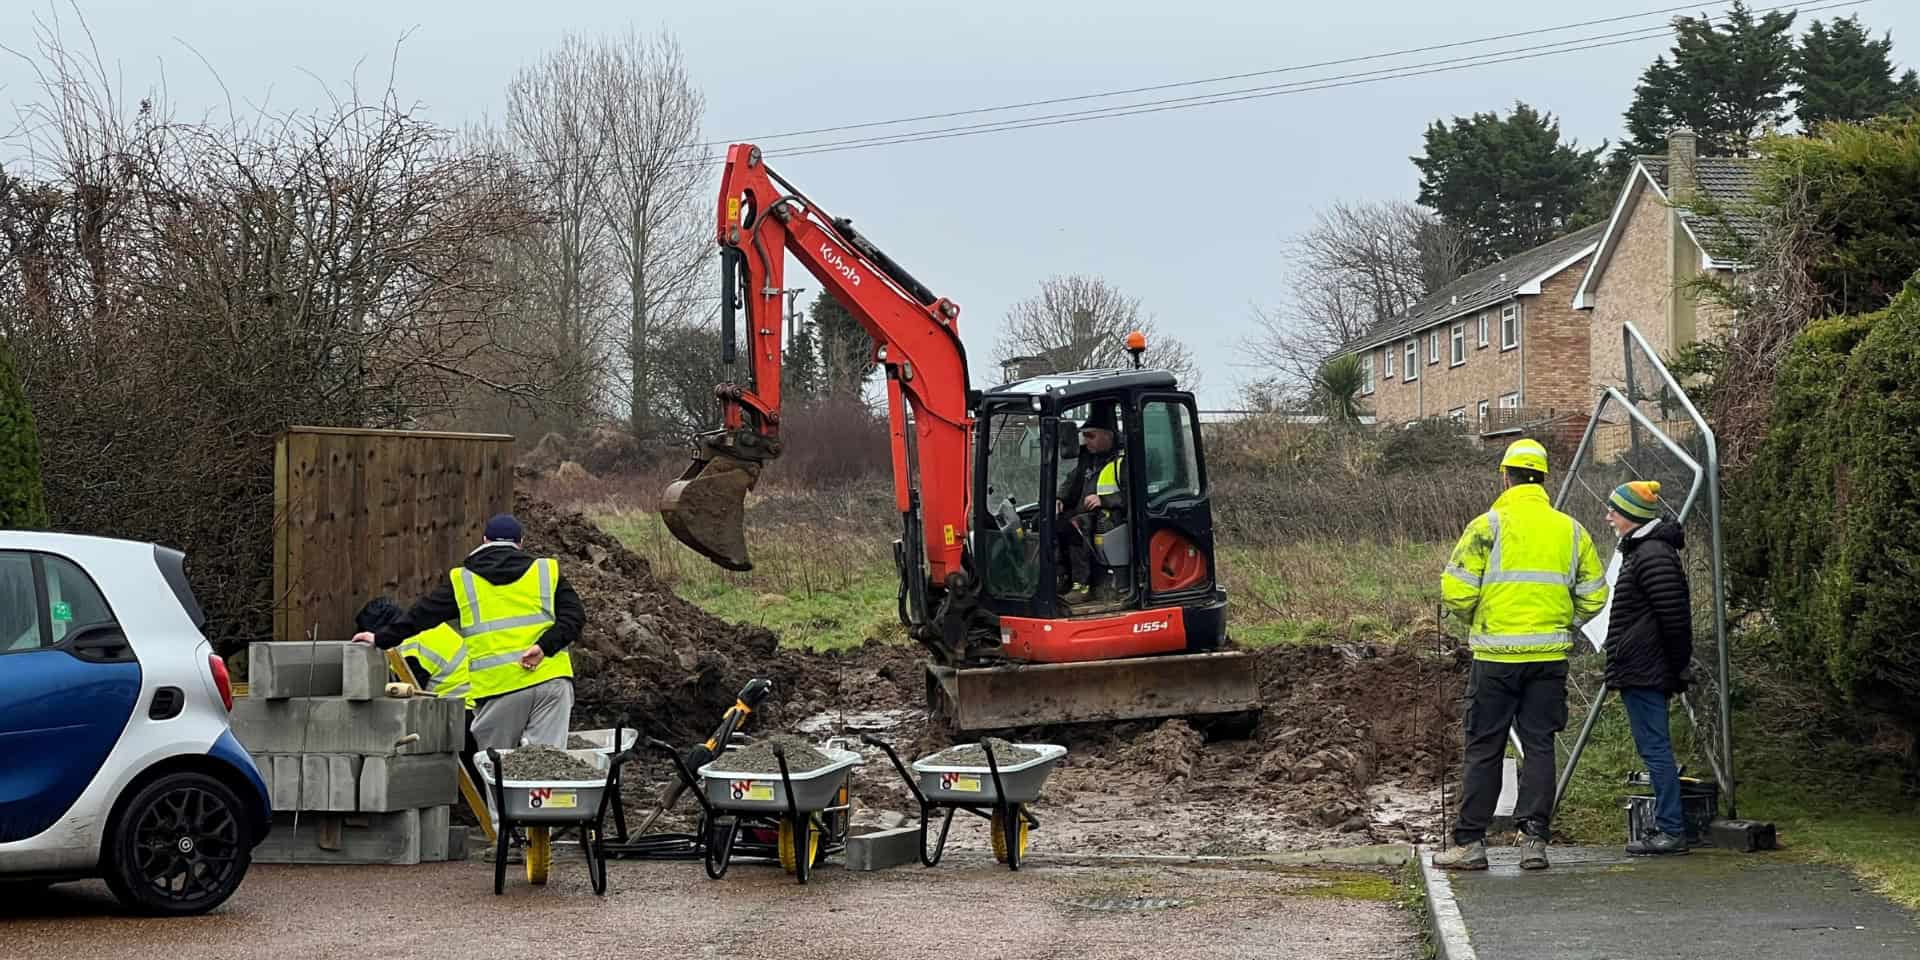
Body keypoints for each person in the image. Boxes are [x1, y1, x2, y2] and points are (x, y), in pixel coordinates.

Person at [1433, 438, 1609, 872]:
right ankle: (1534, 841)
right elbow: (1595, 594)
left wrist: (1482, 618)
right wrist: (1562, 622)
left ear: (1506, 476)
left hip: (1495, 660)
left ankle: (1470, 843)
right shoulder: (1570, 530)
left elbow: (1455, 590)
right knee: (1539, 746)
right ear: (1543, 480)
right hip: (1548, 659)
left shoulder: (1486, 526)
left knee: (1484, 747)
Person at [353, 513, 584, 751]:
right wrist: (544, 647)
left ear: (484, 540)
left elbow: (422, 614)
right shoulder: (547, 571)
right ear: (521, 543)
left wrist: (380, 638)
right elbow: (574, 617)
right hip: (552, 682)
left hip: (501, 689)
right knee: (548, 761)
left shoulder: (463, 580)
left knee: (498, 769)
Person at [1601, 480, 1694, 856]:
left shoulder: (1651, 554)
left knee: (1656, 749)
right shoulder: (1645, 551)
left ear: (1631, 516)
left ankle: (1671, 829)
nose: (1608, 516)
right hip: (1645, 667)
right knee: (1654, 747)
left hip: (1646, 669)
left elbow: (1674, 618)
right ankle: (1668, 826)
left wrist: (1675, 666)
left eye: (1615, 510)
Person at [1053, 403, 1126, 602]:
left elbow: (1133, 495)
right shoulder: (1087, 457)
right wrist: (1060, 498)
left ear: (1108, 436)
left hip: (1112, 515)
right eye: (1084, 435)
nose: (1086, 440)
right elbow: (1073, 479)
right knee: (1046, 521)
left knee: (1076, 526)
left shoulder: (1125, 459)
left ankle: (1082, 586)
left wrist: (1104, 500)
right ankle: (1060, 578)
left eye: (1090, 436)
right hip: (1083, 511)